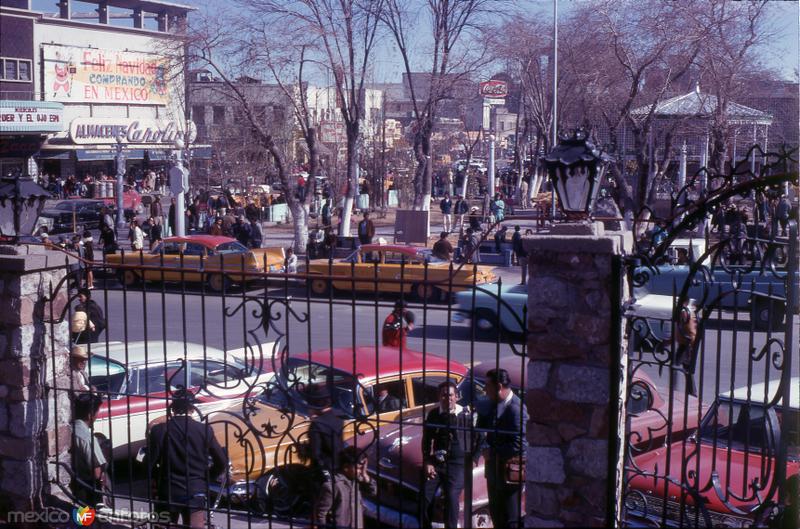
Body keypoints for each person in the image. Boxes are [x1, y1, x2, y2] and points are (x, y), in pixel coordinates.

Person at [148, 389, 228, 529]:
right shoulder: (204, 430)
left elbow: (149, 463)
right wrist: (208, 477)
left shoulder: (159, 430)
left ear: (172, 408)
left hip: (168, 490)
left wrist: (155, 478)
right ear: (192, 408)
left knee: (163, 525)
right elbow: (222, 461)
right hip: (195, 490)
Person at [422, 381, 481, 529]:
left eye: (450, 395)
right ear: (439, 396)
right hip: (437, 462)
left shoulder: (465, 414)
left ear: (456, 397)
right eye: (443, 395)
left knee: (451, 496)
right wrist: (427, 461)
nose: (447, 399)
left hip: (458, 464)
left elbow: (481, 438)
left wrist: (473, 459)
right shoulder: (434, 414)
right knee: (424, 495)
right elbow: (427, 440)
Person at [477, 368, 528, 529]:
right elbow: (485, 430)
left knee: (510, 519)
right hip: (494, 474)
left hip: (508, 475)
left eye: (487, 386)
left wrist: (492, 452)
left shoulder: (516, 409)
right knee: (496, 516)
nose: (484, 390)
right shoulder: (493, 404)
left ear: (499, 386)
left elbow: (520, 444)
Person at [312, 446, 377, 529]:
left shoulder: (357, 481)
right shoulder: (333, 486)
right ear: (346, 467)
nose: (361, 471)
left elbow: (373, 492)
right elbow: (320, 514)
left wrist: (365, 476)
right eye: (359, 468)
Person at [71, 392, 107, 507]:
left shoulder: (70, 429)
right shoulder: (87, 438)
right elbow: (96, 473)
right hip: (88, 490)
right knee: (90, 520)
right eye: (97, 413)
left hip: (75, 485)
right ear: (90, 415)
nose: (97, 416)